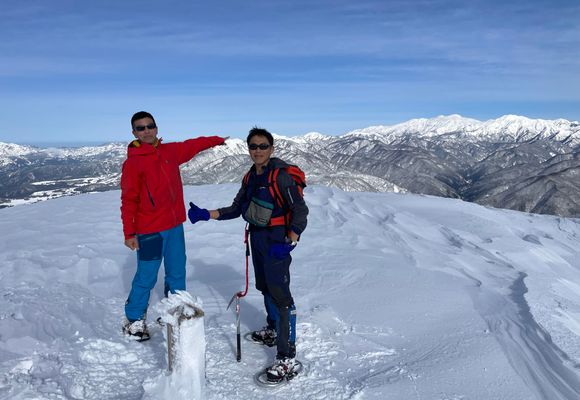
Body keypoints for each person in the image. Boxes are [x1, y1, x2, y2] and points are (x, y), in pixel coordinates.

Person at [188, 127, 308, 382]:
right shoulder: (250, 177)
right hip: (258, 237)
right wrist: (207, 214)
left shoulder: (281, 176)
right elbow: (236, 208)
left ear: (271, 148)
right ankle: (274, 329)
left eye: (263, 146)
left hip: (277, 240)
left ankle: (287, 356)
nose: (258, 150)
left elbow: (300, 210)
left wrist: (291, 240)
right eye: (253, 146)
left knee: (281, 296)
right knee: (265, 287)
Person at [120, 111, 226, 341]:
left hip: (174, 226)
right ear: (134, 133)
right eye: (141, 128)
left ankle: (173, 310)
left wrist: (216, 140)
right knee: (146, 276)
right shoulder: (133, 162)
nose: (146, 131)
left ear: (156, 128)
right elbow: (128, 200)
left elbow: (192, 145)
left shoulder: (169, 152)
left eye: (150, 126)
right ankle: (135, 319)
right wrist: (129, 232)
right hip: (149, 230)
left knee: (177, 272)